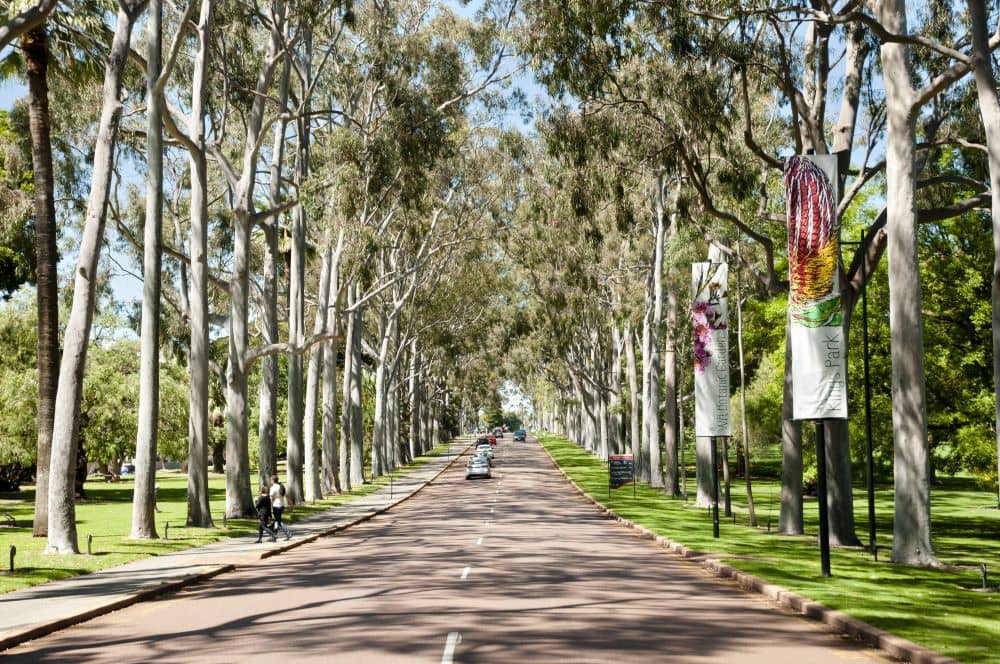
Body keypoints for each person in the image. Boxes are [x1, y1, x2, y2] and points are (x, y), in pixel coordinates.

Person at [269, 475, 292, 540]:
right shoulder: (281, 487)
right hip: (282, 506)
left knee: (279, 521)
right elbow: (286, 496)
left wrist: (270, 507)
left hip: (276, 506)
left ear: (273, 480)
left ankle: (288, 534)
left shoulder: (273, 488)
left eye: (271, 480)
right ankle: (273, 536)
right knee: (276, 520)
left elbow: (271, 499)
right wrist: (291, 504)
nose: (271, 481)